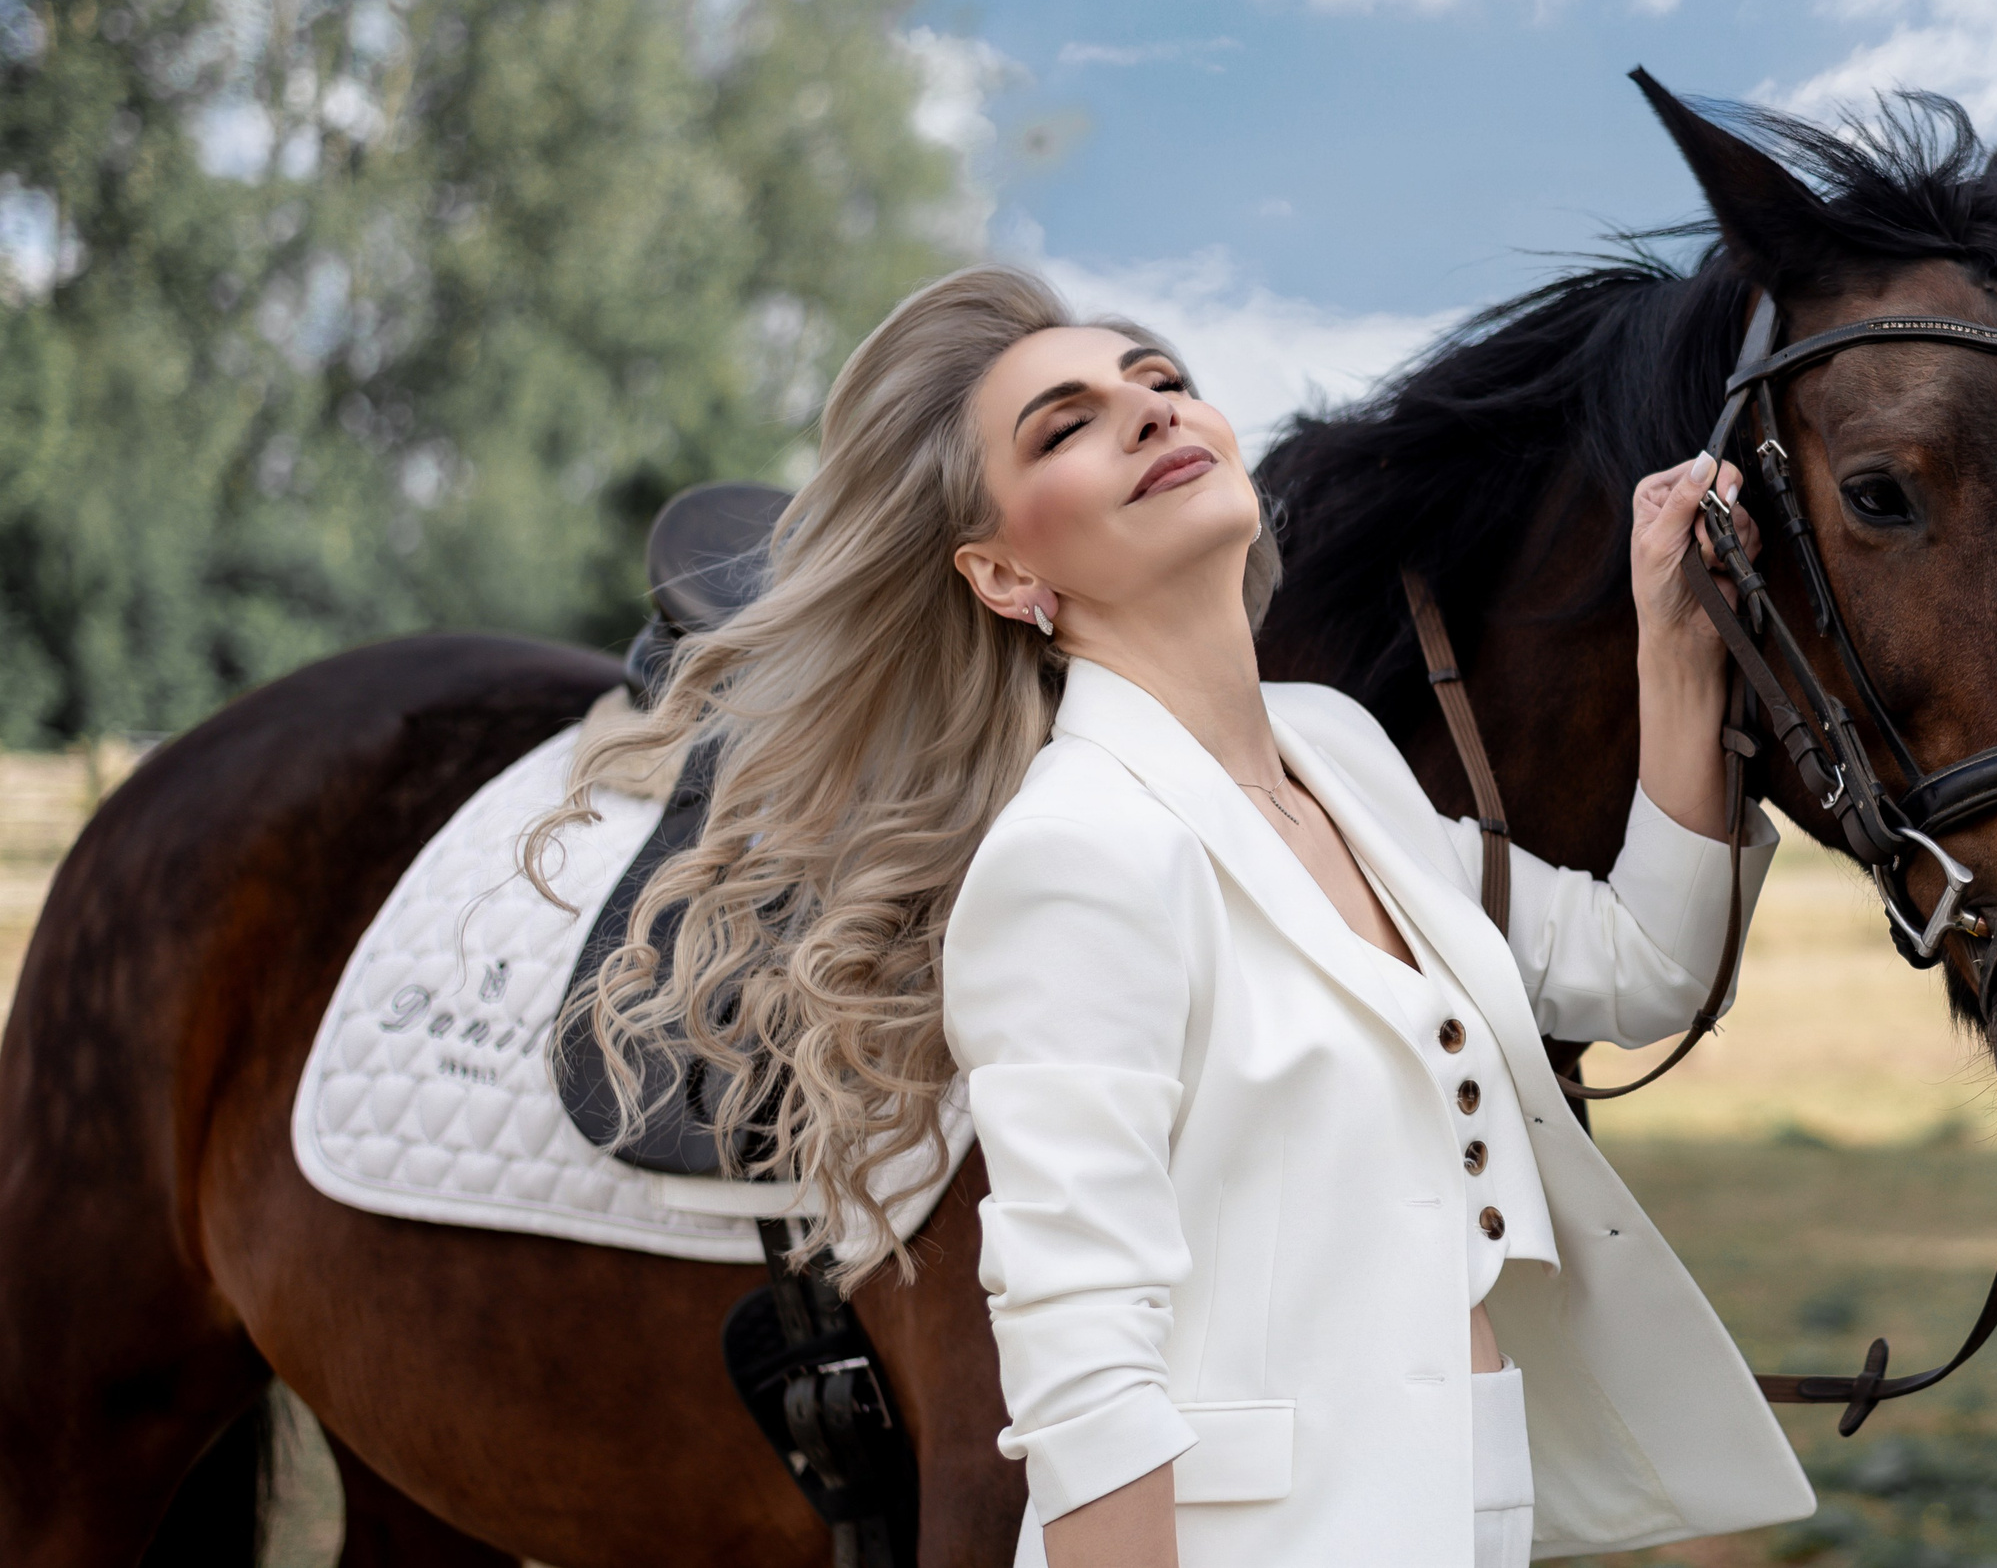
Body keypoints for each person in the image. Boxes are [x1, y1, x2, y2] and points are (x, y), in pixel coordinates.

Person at [545, 265, 1814, 1568]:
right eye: (1066, 424)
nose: (1150, 412)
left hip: (1466, 1506)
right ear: (999, 572)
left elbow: (1642, 966)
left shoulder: (1342, 751)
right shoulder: (1074, 854)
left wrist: (1674, 638)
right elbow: (1085, 1365)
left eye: (1161, 382)